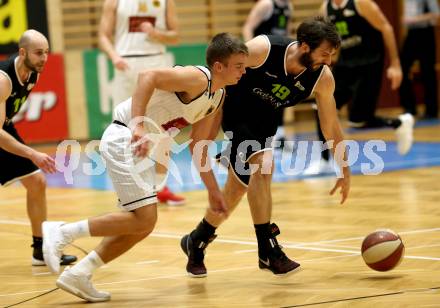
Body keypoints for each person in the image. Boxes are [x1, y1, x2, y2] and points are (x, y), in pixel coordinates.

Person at [42, 33, 248, 302]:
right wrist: (137, 123)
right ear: (219, 66)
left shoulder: (217, 97)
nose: (244, 72)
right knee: (145, 218)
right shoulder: (198, 78)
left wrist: (213, 191)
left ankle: (79, 273)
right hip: (123, 136)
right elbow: (147, 76)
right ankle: (61, 231)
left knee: (142, 225)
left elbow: (199, 145)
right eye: (239, 66)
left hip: (140, 147)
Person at [181, 17, 350, 278]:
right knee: (264, 166)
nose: (328, 60)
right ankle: (267, 250)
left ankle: (198, 239)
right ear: (305, 46)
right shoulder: (263, 49)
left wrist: (344, 167)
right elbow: (221, 75)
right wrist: (208, 121)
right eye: (325, 53)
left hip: (265, 122)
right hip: (234, 110)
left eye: (332, 54)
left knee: (237, 189)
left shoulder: (323, 78)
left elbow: (331, 126)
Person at [304, 0, 415, 175]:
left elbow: (387, 28)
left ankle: (400, 122)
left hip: (370, 63)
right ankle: (324, 160)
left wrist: (395, 64)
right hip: (345, 64)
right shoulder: (326, 8)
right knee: (321, 107)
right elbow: (325, 38)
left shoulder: (361, 4)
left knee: (359, 119)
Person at [0, 30, 77, 267]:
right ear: (22, 52)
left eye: (46, 52)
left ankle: (40, 250)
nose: (44, 58)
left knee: (36, 182)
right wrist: (32, 153)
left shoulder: (33, 74)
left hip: (4, 128)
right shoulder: (3, 80)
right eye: (38, 53)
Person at [99, 0, 185, 205]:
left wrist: (157, 34)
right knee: (124, 129)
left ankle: (160, 186)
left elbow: (176, 36)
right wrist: (114, 57)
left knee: (163, 127)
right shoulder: (114, 2)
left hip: (157, 62)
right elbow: (103, 35)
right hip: (126, 63)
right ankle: (128, 189)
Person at [242, 0, 294, 148]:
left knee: (281, 93)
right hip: (262, 58)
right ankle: (255, 137)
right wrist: (249, 54)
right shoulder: (266, 5)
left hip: (279, 58)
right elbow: (247, 28)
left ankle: (280, 136)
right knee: (259, 97)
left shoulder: (288, 6)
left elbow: (288, 32)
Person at [400, 0, 439, 119]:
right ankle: (409, 108)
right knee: (402, 68)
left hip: (425, 33)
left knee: (428, 70)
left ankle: (431, 110)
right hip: (411, 33)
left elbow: (436, 15)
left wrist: (414, 19)